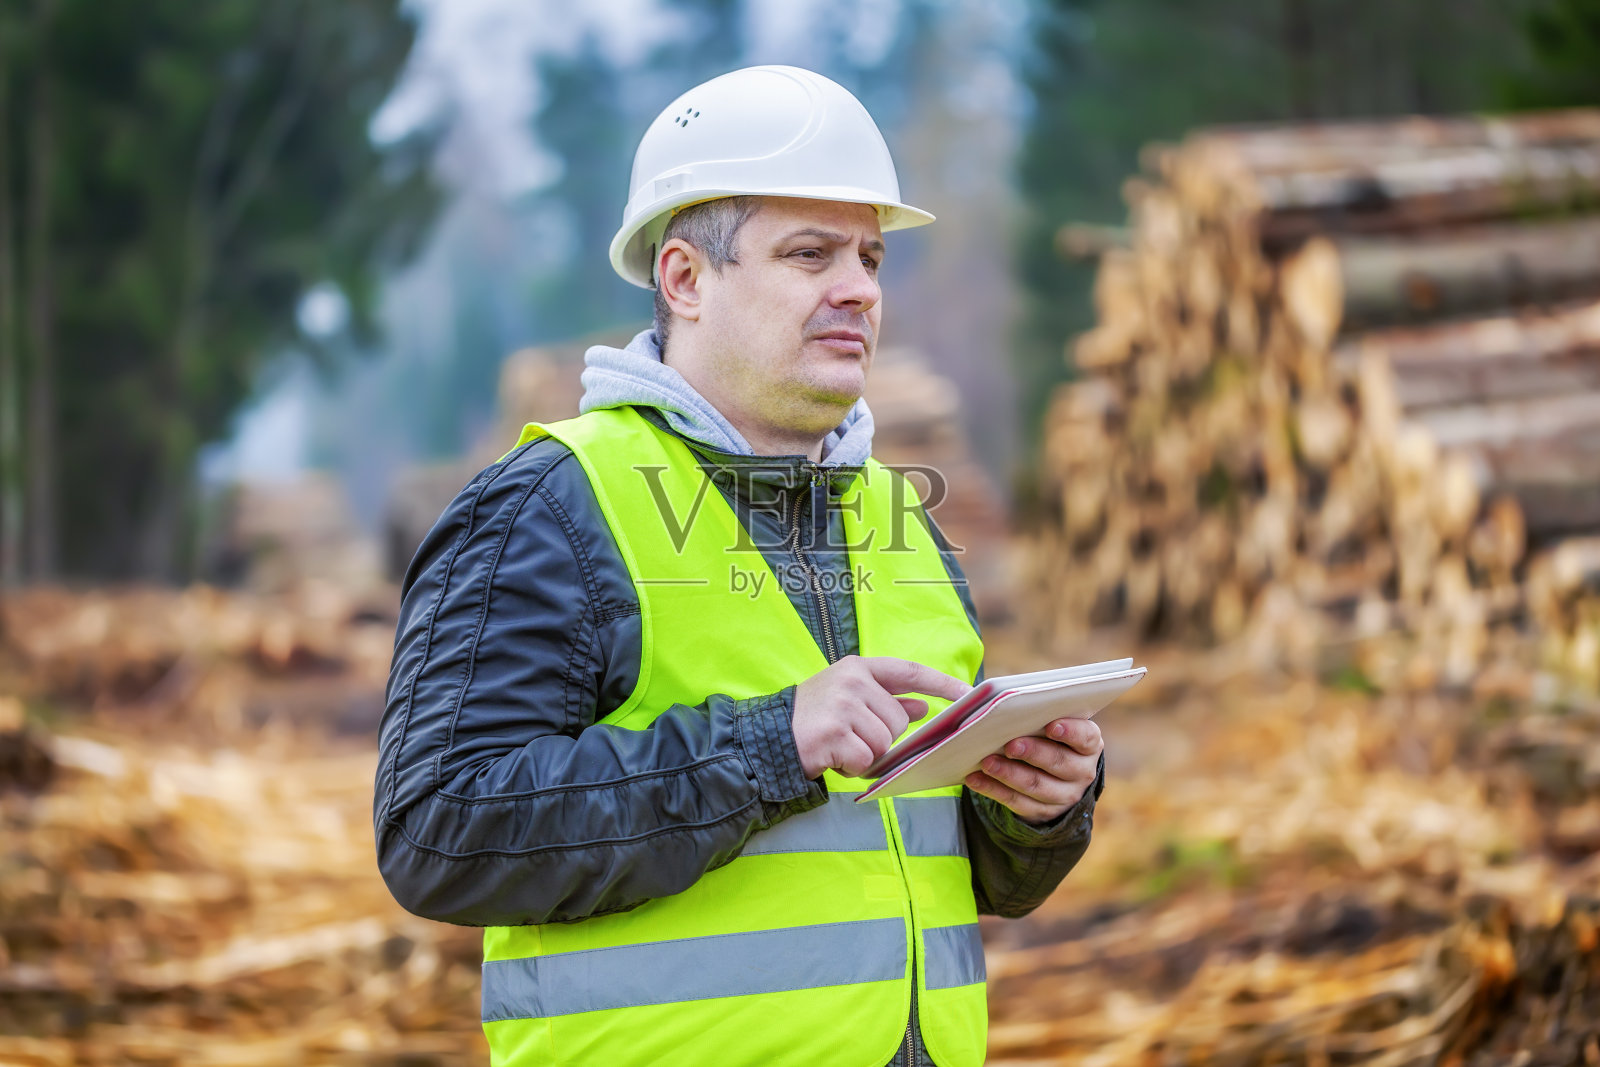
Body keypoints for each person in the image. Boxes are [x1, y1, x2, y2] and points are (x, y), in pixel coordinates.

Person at [375, 65, 1106, 1067]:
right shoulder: (548, 505)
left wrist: (1039, 806)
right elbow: (439, 831)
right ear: (683, 279)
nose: (857, 287)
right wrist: (770, 744)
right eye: (809, 253)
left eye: (869, 255)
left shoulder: (900, 516)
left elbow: (957, 875)